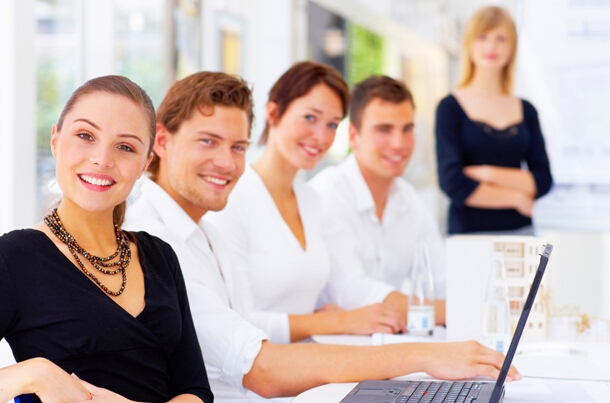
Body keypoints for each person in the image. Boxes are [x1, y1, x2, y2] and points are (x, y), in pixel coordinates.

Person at [124, 69, 520, 403]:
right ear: (162, 141)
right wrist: (425, 356)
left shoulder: (207, 229)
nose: (226, 162)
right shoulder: (152, 239)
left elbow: (252, 329)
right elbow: (260, 368)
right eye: (208, 141)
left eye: (238, 147)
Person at [0, 76, 212, 403]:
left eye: (125, 147)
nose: (102, 159)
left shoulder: (160, 256)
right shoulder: (15, 257)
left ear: (145, 164)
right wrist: (34, 373)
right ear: (55, 140)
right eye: (85, 136)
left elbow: (196, 391)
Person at [204, 61, 405, 344]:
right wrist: (335, 321)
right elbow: (238, 321)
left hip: (307, 356)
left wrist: (320, 314)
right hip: (260, 367)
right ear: (273, 114)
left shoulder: (310, 199)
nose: (321, 137)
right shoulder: (231, 198)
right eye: (310, 117)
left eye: (332, 124)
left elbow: (297, 301)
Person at [310, 75, 446, 326]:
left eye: (407, 129)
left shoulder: (409, 198)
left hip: (386, 341)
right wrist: (450, 311)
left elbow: (442, 282)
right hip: (327, 344)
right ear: (353, 136)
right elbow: (351, 292)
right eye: (384, 129)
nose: (399, 143)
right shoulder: (327, 193)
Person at [435, 6, 553, 235]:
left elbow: (543, 180)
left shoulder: (527, 110)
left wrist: (487, 173)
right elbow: (452, 182)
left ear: (512, 48)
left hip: (521, 234)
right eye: (482, 37)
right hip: (468, 236)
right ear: (469, 44)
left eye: (501, 39)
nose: (491, 47)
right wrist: (516, 198)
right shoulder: (450, 108)